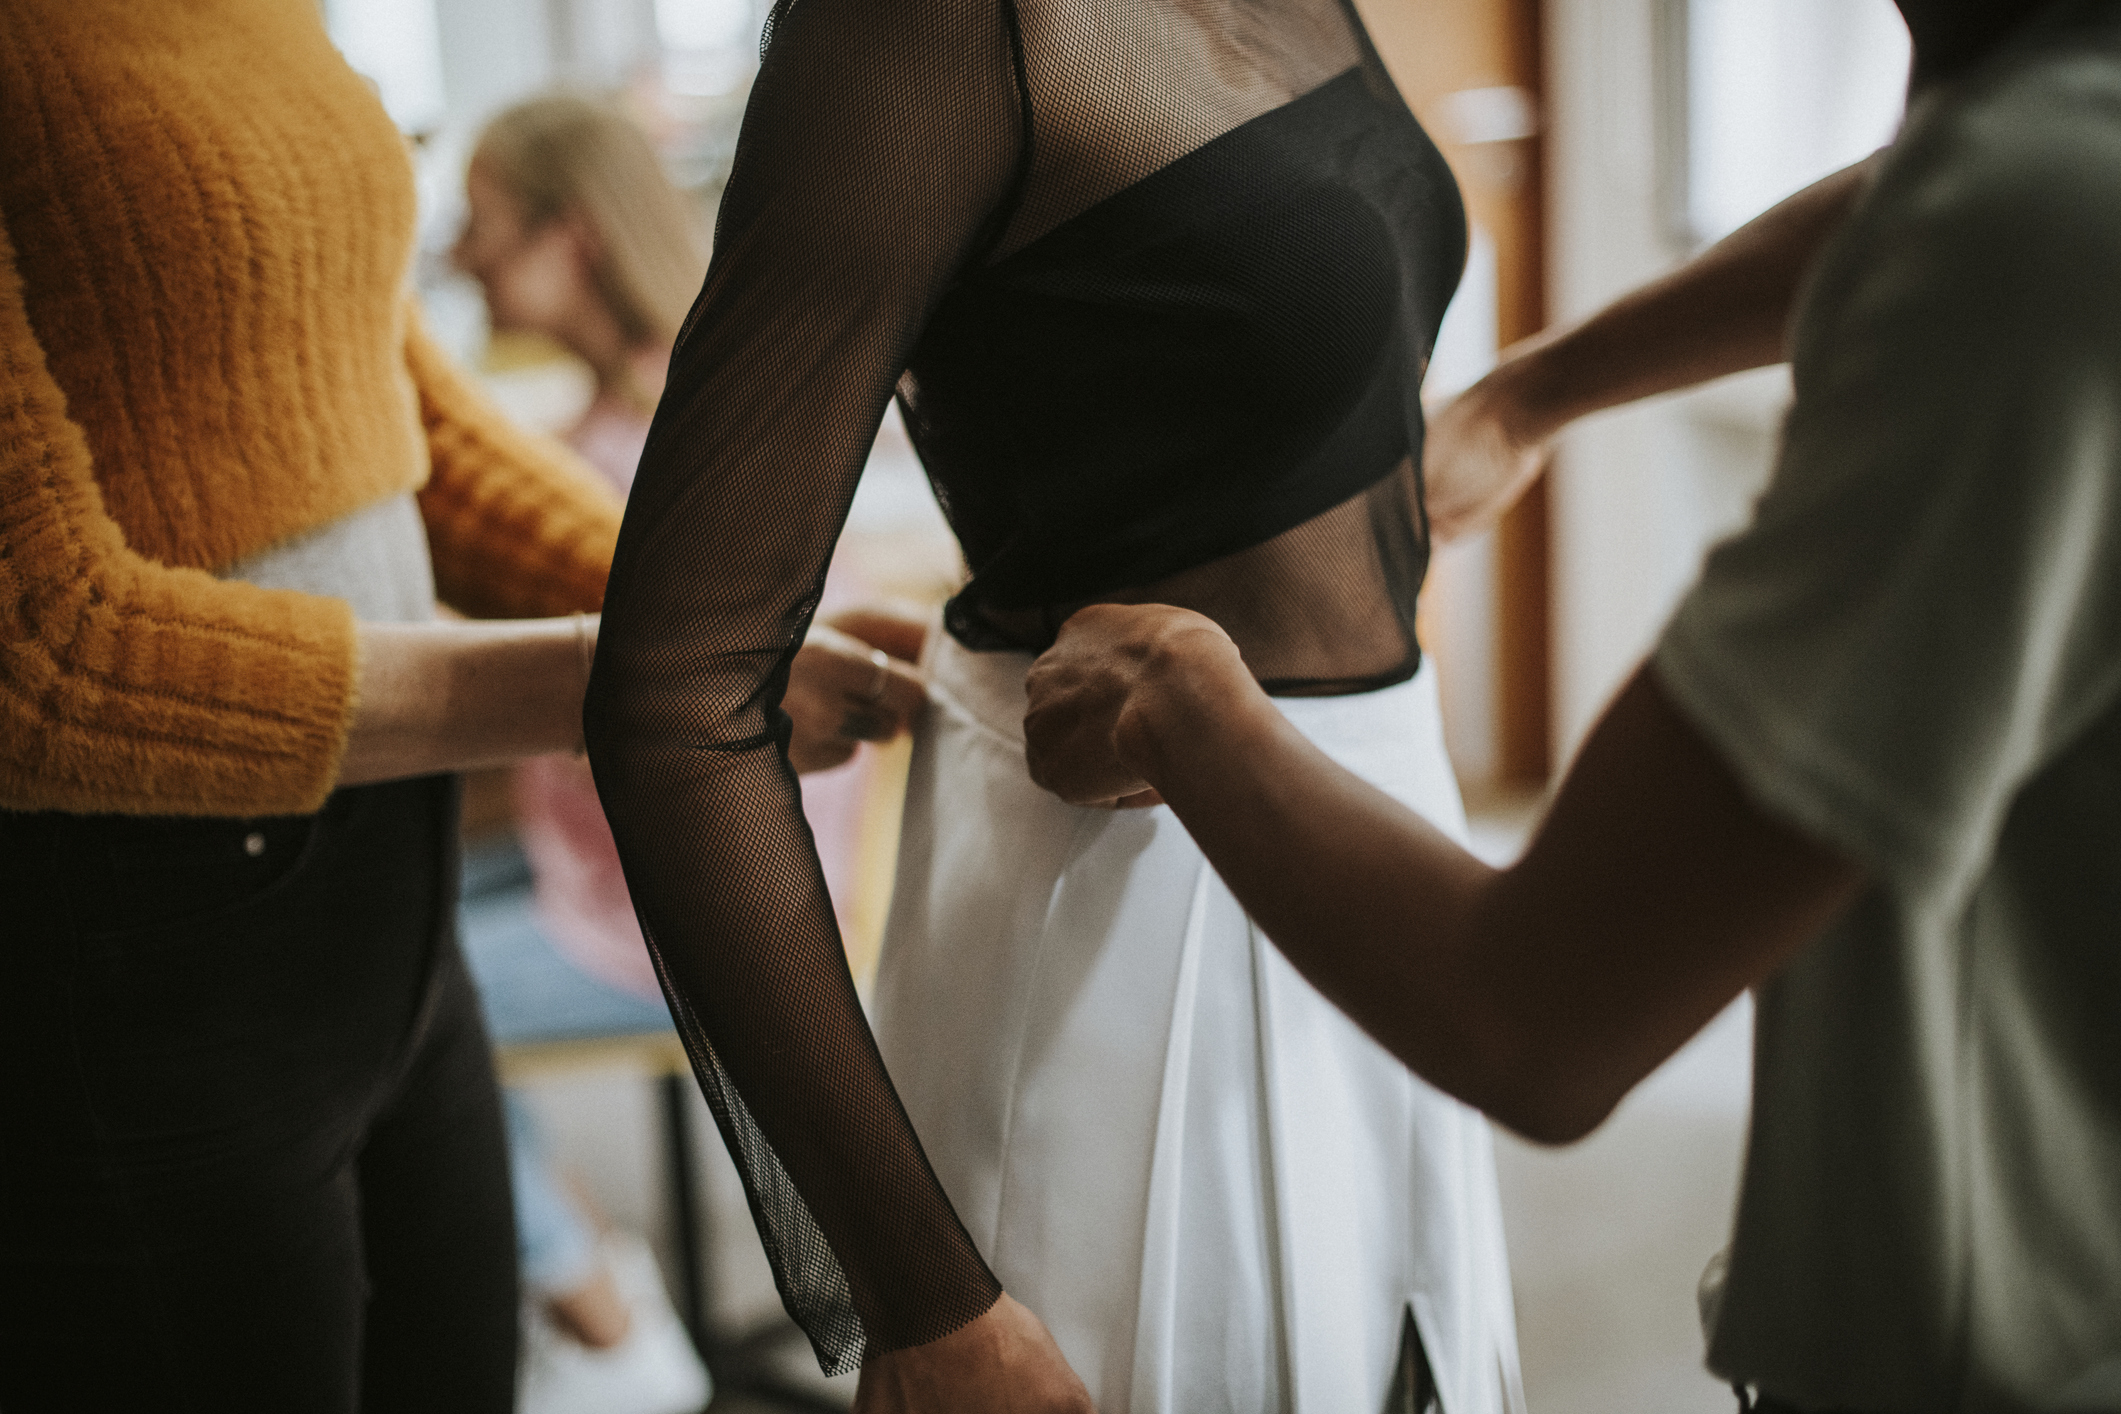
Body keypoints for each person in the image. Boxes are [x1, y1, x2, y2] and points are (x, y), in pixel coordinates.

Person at [1020, 1, 2121, 1410]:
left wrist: (1172, 695)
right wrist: (1533, 392)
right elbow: (1922, 198)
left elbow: (1534, 1015)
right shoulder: (2043, 149)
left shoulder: (2037, 233)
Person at [583, 0, 1524, 1408]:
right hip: (1140, 912)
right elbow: (677, 689)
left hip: (1376, 827)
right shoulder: (934, 28)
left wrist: (1534, 394)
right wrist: (922, 1299)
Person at [0, 9, 909, 1410]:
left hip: (388, 880)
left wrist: (723, 614)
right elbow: (35, 654)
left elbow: (402, 412)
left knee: (456, 1361)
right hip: (150, 934)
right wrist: (631, 669)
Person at [448, 93, 924, 1403]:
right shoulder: (633, 425)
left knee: (391, 1003)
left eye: (482, 224)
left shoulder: (666, 452)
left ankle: (604, 1321)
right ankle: (585, 1279)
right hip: (611, 865)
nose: (463, 256)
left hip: (695, 909)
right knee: (388, 918)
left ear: (571, 238)